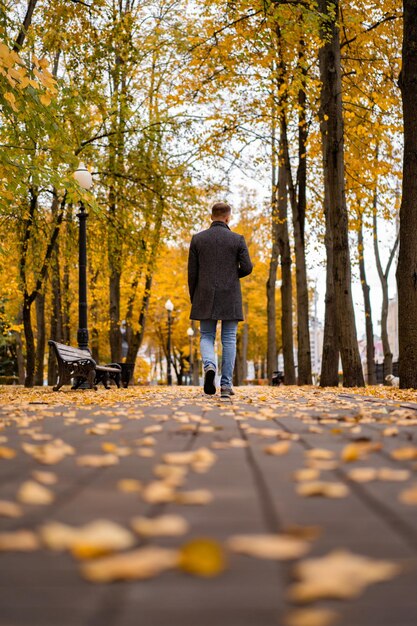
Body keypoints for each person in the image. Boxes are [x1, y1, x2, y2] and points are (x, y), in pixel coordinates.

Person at [187, 202, 253, 399]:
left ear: (211, 217)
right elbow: (248, 267)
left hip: (204, 294)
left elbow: (192, 273)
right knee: (229, 339)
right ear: (227, 218)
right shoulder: (237, 239)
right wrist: (232, 275)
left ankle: (209, 365)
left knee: (207, 335)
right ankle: (225, 386)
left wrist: (195, 297)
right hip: (230, 294)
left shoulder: (197, 240)